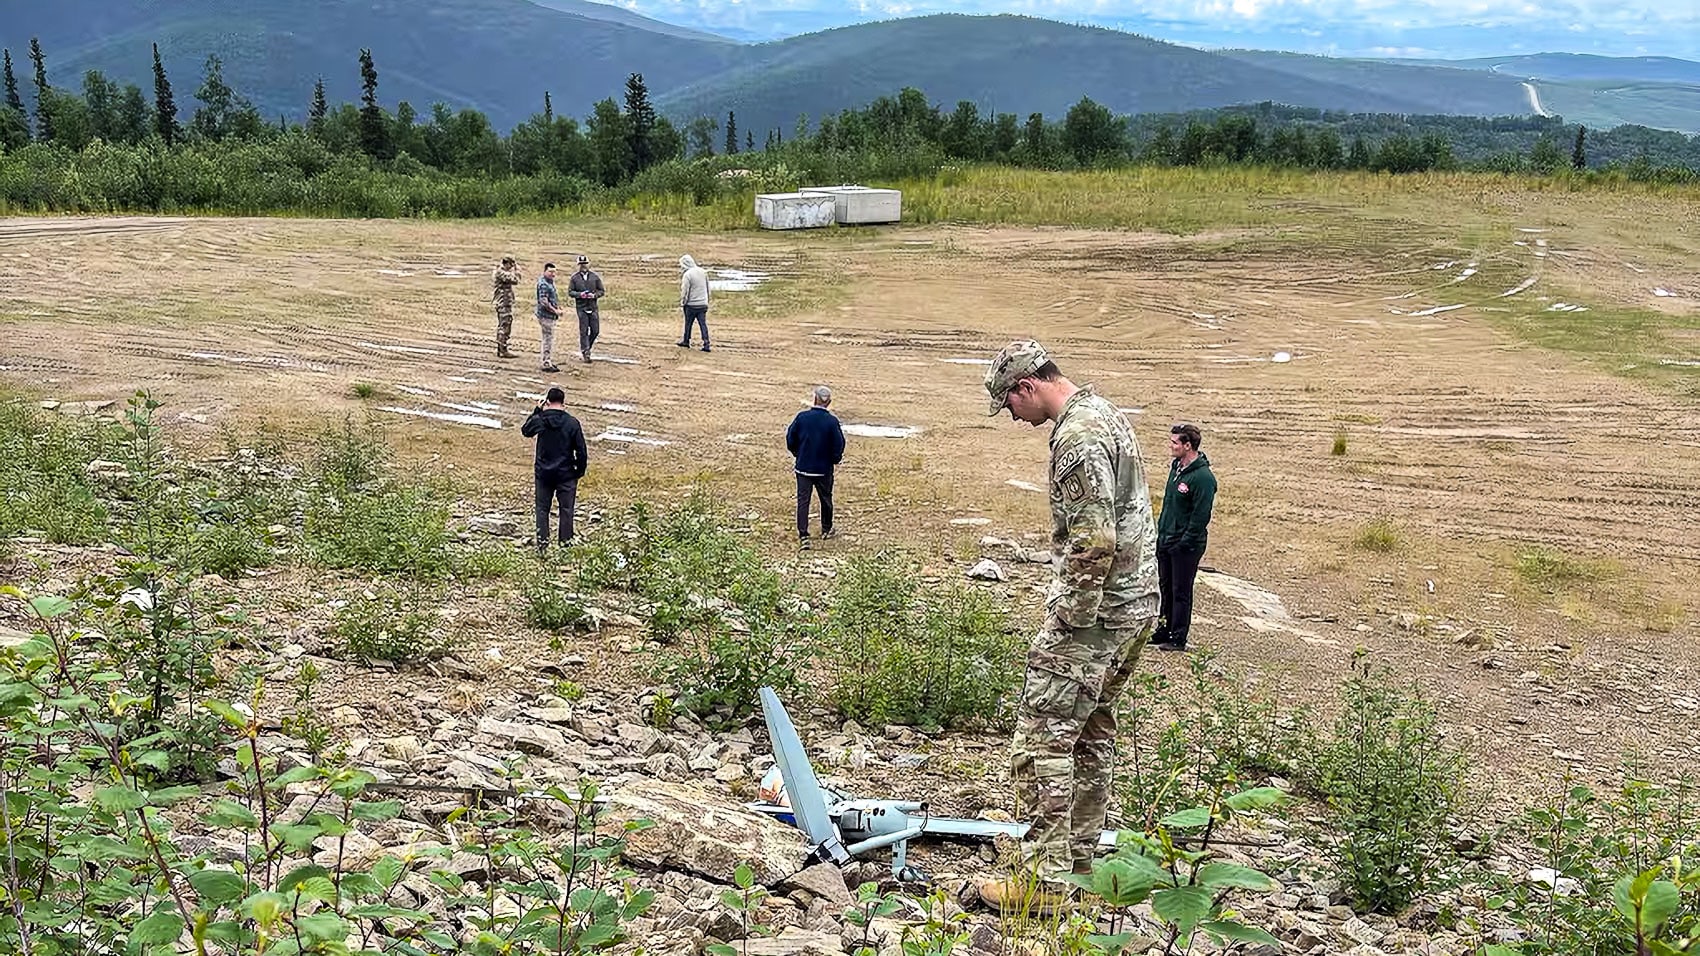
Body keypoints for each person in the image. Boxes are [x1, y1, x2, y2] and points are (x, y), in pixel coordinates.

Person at [976, 340, 1159, 912]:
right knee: (1090, 734)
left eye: (1009, 402)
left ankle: (1044, 883)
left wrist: (1067, 622)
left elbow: (1095, 540)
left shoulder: (1077, 437)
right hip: (1134, 605)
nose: (1012, 415)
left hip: (1096, 615)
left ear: (1027, 386)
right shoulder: (1105, 413)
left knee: (1041, 739)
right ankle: (1078, 868)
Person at [1151, 423, 1216, 652]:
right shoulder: (1176, 467)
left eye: (1175, 442)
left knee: (1181, 591)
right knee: (1165, 587)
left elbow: (1200, 516)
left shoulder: (1203, 478)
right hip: (1166, 539)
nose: (1171, 446)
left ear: (1188, 445)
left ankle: (1178, 636)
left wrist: (1184, 543)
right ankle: (1163, 629)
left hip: (1185, 546)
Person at [521, 386, 588, 552]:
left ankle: (542, 546)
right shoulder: (572, 423)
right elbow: (581, 450)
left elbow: (526, 431)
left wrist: (537, 410)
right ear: (563, 403)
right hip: (566, 473)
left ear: (548, 402)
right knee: (566, 511)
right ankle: (565, 547)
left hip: (544, 473)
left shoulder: (541, 419)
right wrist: (579, 471)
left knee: (542, 510)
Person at [785, 385, 845, 549]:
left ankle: (803, 535)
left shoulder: (802, 417)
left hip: (803, 467)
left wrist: (798, 453)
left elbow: (790, 438)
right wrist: (834, 459)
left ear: (814, 398)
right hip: (824, 469)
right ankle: (826, 529)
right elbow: (839, 444)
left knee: (803, 500)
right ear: (829, 402)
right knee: (826, 498)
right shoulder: (832, 422)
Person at [568, 254, 605, 363]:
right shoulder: (574, 278)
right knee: (583, 331)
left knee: (595, 330)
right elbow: (570, 292)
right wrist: (580, 295)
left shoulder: (595, 277)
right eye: (581, 264)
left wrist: (594, 295)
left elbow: (601, 291)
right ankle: (586, 352)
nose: (583, 266)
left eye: (585, 264)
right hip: (581, 308)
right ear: (578, 265)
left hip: (593, 307)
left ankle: (587, 346)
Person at [677, 254, 711, 352]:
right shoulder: (703, 272)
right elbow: (708, 288)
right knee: (703, 324)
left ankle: (686, 340)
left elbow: (685, 290)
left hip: (691, 305)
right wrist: (707, 300)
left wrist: (683, 302)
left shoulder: (687, 275)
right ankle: (706, 343)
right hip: (703, 304)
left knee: (688, 324)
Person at [492, 256, 522, 359]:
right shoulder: (500, 272)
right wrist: (517, 271)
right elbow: (515, 280)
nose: (511, 267)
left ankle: (501, 348)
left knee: (505, 324)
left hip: (504, 302)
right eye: (511, 265)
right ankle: (502, 349)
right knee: (504, 325)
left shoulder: (501, 271)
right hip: (503, 302)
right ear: (507, 264)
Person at [535, 262, 562, 373]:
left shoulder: (549, 282)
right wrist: (555, 310)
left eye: (554, 272)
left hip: (549, 315)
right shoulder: (544, 284)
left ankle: (547, 360)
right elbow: (544, 302)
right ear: (545, 271)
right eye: (550, 271)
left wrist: (558, 307)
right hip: (546, 316)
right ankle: (546, 363)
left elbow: (551, 298)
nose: (553, 274)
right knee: (547, 339)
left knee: (548, 338)